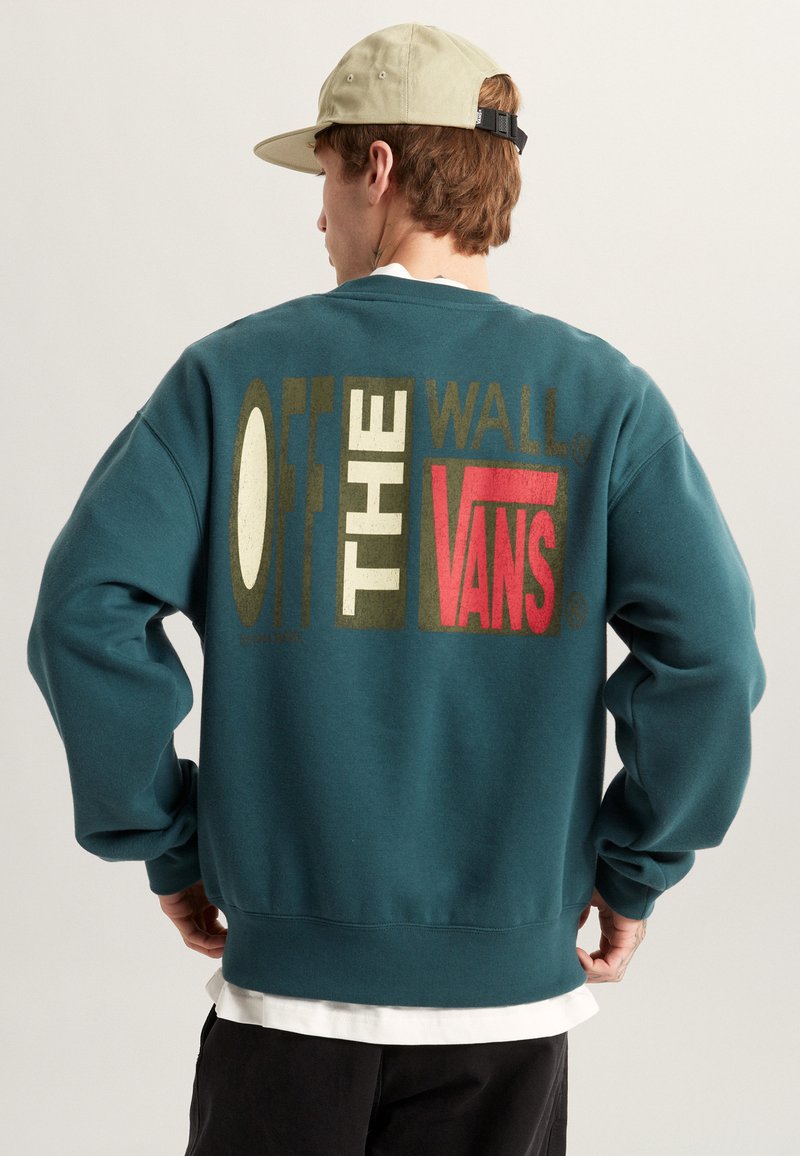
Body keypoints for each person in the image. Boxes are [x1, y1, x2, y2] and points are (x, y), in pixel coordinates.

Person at [27, 22, 765, 1156]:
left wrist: (168, 841)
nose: (318, 216)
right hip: (507, 1005)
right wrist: (633, 868)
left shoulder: (231, 376)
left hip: (286, 999)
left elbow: (84, 615)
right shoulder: (602, 398)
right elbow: (709, 656)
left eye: (324, 176)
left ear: (377, 167)